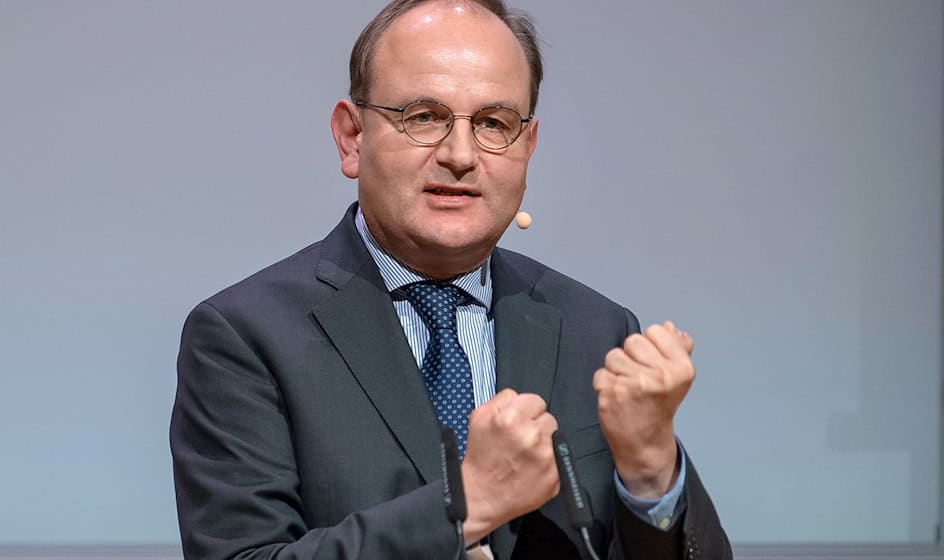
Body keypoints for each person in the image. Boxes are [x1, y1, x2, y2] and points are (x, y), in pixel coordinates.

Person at [170, 1, 732, 558]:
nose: (461, 155)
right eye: (424, 117)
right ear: (351, 137)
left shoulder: (598, 330)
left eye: (493, 123)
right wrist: (467, 504)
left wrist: (652, 472)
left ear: (528, 147)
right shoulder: (245, 336)